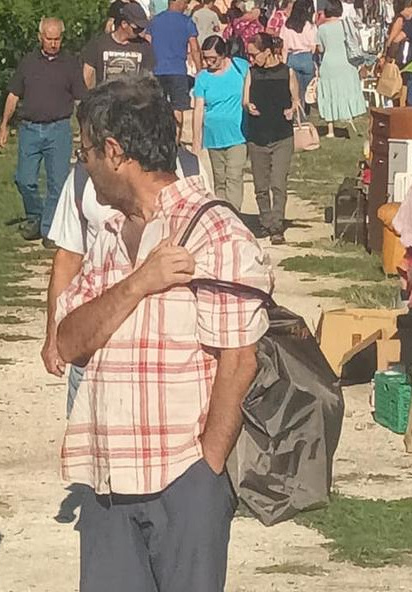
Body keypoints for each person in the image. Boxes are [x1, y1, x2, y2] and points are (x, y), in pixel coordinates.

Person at [55, 74, 273, 592]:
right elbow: (68, 342)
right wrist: (139, 282)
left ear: (114, 152)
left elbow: (239, 360)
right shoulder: (110, 232)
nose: (82, 165)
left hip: (182, 479)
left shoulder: (215, 232)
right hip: (107, 482)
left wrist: (207, 467)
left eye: (85, 153)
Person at [42, 118, 212, 411]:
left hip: (168, 363)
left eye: (85, 151)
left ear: (113, 150)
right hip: (92, 343)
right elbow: (68, 257)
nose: (84, 159)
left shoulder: (191, 171)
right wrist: (52, 335)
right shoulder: (83, 179)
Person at [0, 18, 86, 247]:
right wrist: (4, 125)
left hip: (59, 130)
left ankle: (49, 230)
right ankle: (36, 216)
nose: (53, 44)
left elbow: (80, 99)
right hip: (30, 129)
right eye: (49, 39)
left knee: (58, 183)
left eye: (57, 39)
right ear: (40, 37)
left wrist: (86, 131)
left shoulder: (70, 64)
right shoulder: (28, 63)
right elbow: (13, 95)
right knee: (24, 180)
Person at [243, 33, 300, 244]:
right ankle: (265, 221)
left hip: (281, 136)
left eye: (253, 54)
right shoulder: (252, 73)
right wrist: (248, 106)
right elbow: (245, 100)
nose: (251, 59)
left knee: (278, 183)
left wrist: (292, 109)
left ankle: (276, 226)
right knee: (260, 186)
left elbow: (296, 100)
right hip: (257, 136)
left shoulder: (287, 72)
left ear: (267, 52)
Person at [192, 35, 249, 210]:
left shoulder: (241, 67)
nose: (209, 62)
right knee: (220, 179)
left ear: (223, 54)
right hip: (213, 135)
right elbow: (198, 108)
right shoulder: (202, 77)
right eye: (205, 58)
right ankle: (223, 213)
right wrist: (196, 140)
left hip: (238, 134)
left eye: (213, 58)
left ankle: (234, 213)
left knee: (234, 175)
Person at [147, 0, 201, 127]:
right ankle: (176, 138)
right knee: (178, 108)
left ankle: (159, 136)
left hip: (157, 71)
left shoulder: (155, 21)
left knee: (158, 107)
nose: (186, 6)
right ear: (178, 1)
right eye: (185, 2)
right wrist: (200, 70)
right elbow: (195, 48)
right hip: (178, 71)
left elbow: (147, 44)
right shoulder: (187, 22)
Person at [315, 0, 367, 137]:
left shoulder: (322, 28)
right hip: (346, 63)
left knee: (330, 94)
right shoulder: (346, 25)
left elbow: (320, 49)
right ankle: (351, 118)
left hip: (329, 63)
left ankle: (330, 130)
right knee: (347, 90)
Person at [82, 3, 154, 88]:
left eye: (142, 28)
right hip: (105, 95)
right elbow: (88, 73)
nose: (140, 31)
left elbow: (148, 78)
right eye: (137, 28)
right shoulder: (98, 44)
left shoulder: (144, 46)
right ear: (124, 24)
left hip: (133, 95)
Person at [280, 0, 318, 107]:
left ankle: (297, 109)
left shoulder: (287, 25)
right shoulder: (309, 26)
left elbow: (284, 47)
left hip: (292, 57)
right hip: (307, 57)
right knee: (308, 90)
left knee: (295, 90)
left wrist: (284, 62)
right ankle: (307, 109)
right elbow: (313, 46)